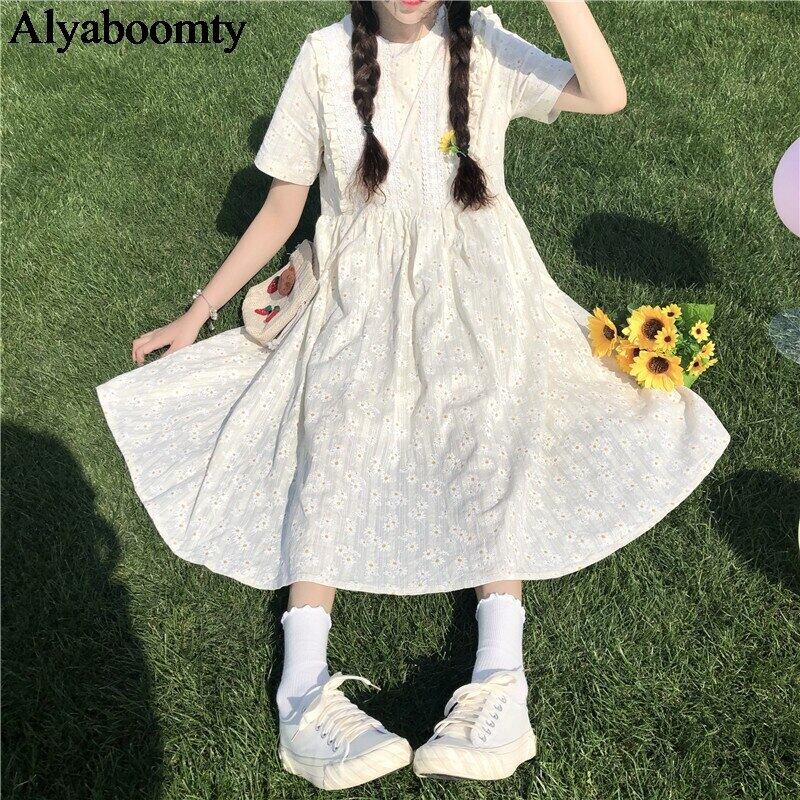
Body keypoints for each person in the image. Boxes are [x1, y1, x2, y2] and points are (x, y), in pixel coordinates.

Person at [96, 1, 729, 789]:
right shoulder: (324, 57)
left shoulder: (483, 42)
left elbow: (606, 95)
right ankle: (303, 692)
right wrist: (198, 312)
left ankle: (501, 681)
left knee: (490, 421)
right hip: (359, 291)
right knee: (332, 434)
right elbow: (284, 204)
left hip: (482, 283)